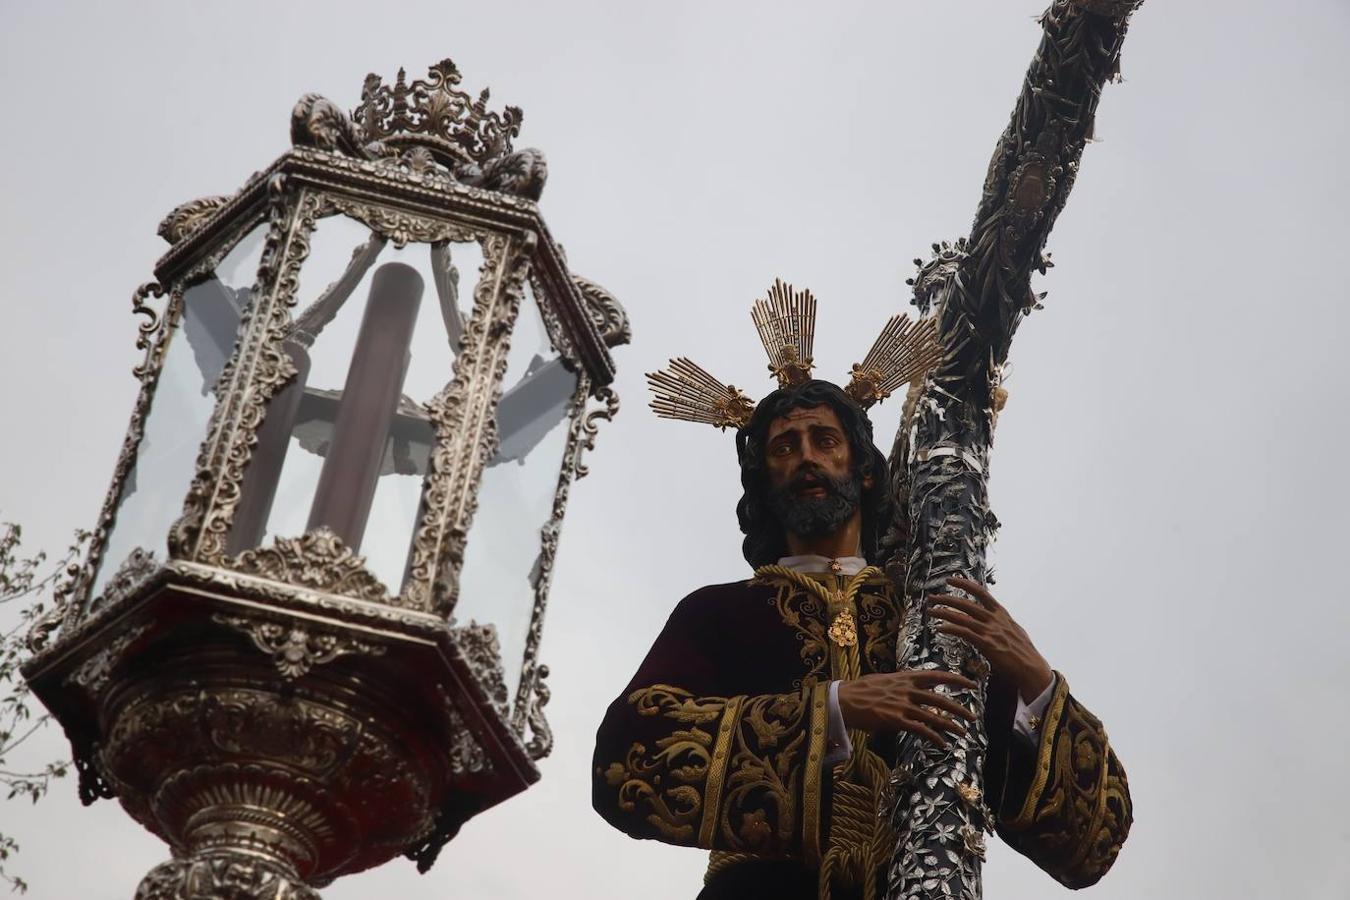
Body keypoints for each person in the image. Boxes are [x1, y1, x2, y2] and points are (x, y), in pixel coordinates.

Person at [591, 373, 1131, 899]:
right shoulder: (720, 613)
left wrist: (1035, 680)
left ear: (865, 470)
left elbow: (1091, 843)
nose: (806, 457)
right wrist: (832, 712)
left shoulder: (930, 626)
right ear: (762, 479)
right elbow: (626, 757)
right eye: (784, 448)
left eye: (825, 440)